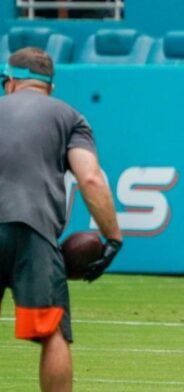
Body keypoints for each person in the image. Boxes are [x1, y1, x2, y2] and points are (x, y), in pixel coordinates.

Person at [0, 47, 122, 392]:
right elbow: (91, 178)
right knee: (51, 332)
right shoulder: (69, 116)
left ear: (9, 82)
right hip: (34, 230)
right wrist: (113, 238)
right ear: (49, 88)